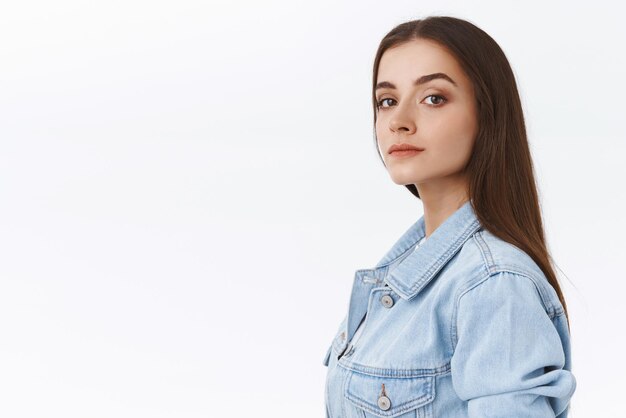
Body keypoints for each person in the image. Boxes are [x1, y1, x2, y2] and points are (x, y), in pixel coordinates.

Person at [322, 15, 576, 418]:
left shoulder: (492, 285)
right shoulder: (405, 273)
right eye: (387, 100)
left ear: (487, 115)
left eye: (433, 98)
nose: (398, 121)